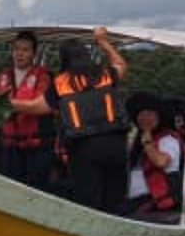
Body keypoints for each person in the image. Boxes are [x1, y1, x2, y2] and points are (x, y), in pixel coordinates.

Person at [11, 27, 129, 212]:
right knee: (116, 197)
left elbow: (35, 107)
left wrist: (7, 103)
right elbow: (121, 65)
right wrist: (103, 41)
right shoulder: (105, 74)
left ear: (63, 59)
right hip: (115, 144)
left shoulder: (61, 83)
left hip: (84, 148)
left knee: (89, 201)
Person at [0, 31, 55, 188]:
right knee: (10, 188)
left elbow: (40, 106)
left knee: (37, 190)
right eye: (16, 49)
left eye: (25, 50)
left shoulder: (44, 77)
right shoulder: (1, 77)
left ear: (33, 53)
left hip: (38, 147)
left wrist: (4, 103)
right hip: (10, 147)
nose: (20, 54)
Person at [126, 93, 184, 214]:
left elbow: (161, 161)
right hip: (132, 195)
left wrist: (148, 143)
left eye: (149, 114)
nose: (144, 118)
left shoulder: (168, 139)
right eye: (141, 114)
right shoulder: (140, 140)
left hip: (154, 198)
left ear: (159, 117)